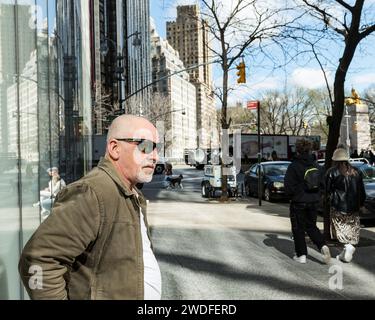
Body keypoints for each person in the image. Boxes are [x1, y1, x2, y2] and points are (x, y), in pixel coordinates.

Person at [19, 115, 162, 300]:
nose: (155, 156)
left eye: (156, 148)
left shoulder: (130, 193)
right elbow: (38, 260)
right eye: (145, 146)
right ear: (115, 148)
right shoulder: (91, 192)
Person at [284, 139, 331, 264]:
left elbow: (288, 186)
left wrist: (292, 196)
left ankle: (301, 255)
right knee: (311, 226)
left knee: (298, 228)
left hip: (298, 201)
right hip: (313, 201)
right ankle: (322, 245)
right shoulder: (317, 166)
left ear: (297, 150)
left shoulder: (294, 166)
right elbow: (323, 185)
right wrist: (317, 196)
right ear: (310, 150)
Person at [325, 148, 366, 263]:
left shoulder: (331, 172)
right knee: (352, 231)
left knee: (341, 231)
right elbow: (361, 190)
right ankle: (346, 252)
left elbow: (326, 190)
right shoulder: (356, 171)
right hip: (353, 208)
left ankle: (347, 248)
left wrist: (328, 201)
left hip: (338, 206)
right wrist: (361, 203)